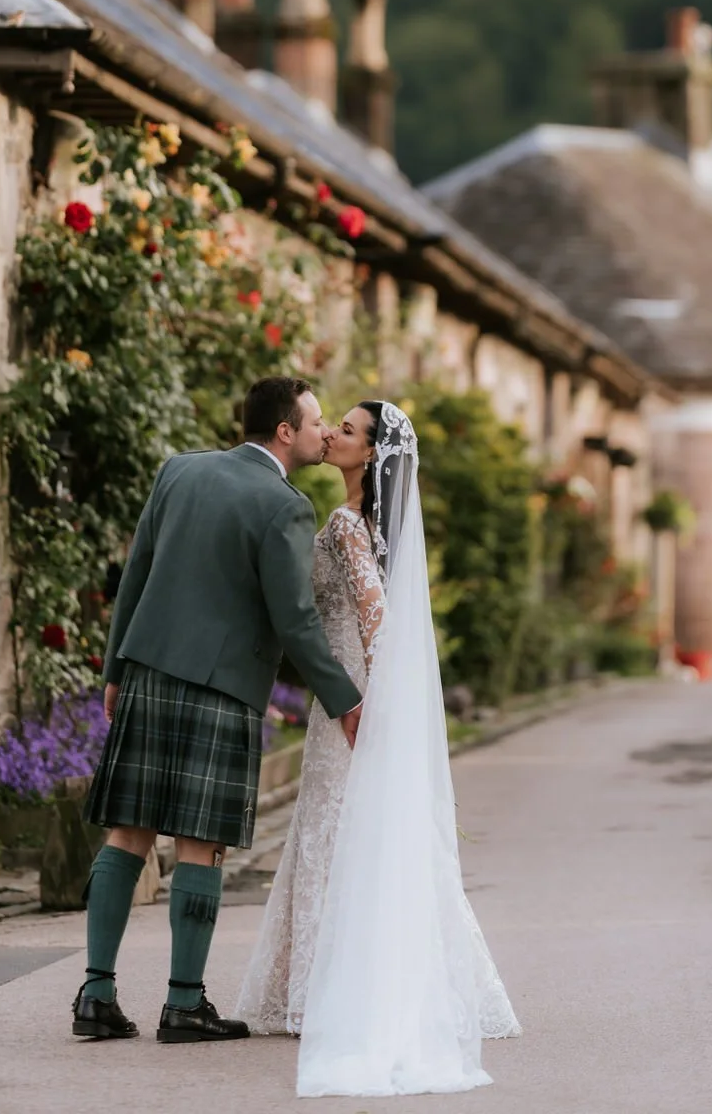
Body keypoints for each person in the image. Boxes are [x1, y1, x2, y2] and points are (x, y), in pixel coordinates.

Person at [237, 399, 521, 1097]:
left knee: (336, 829)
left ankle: (320, 990)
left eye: (348, 430)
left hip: (349, 699)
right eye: (331, 422)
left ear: (370, 455)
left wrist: (368, 705)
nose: (331, 432)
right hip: (351, 692)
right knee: (349, 829)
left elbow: (374, 615)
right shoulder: (363, 523)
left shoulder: (341, 525)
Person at [73, 377, 365, 1046]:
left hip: (147, 673)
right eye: (317, 421)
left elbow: (136, 573)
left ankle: (94, 994)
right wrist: (344, 696)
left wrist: (116, 667)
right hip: (221, 689)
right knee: (200, 845)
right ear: (284, 432)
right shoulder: (283, 506)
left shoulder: (179, 470)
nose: (325, 433)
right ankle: (183, 1006)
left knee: (127, 833)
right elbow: (293, 618)